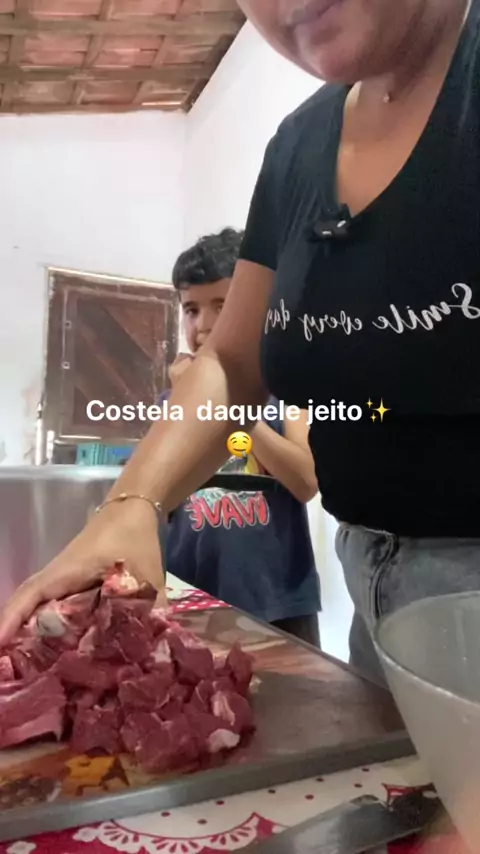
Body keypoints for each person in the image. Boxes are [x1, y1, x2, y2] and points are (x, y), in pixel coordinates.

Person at [2, 0, 480, 686]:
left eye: (215, 305)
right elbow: (233, 361)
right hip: (373, 585)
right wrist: (131, 505)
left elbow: (301, 474)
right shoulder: (296, 147)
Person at [160, 228, 321, 646]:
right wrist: (187, 403)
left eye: (223, 305)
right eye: (191, 309)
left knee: (295, 690)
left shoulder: (288, 391)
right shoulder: (172, 399)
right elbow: (161, 500)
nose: (204, 325)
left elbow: (306, 482)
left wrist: (235, 410)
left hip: (278, 602)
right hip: (188, 598)